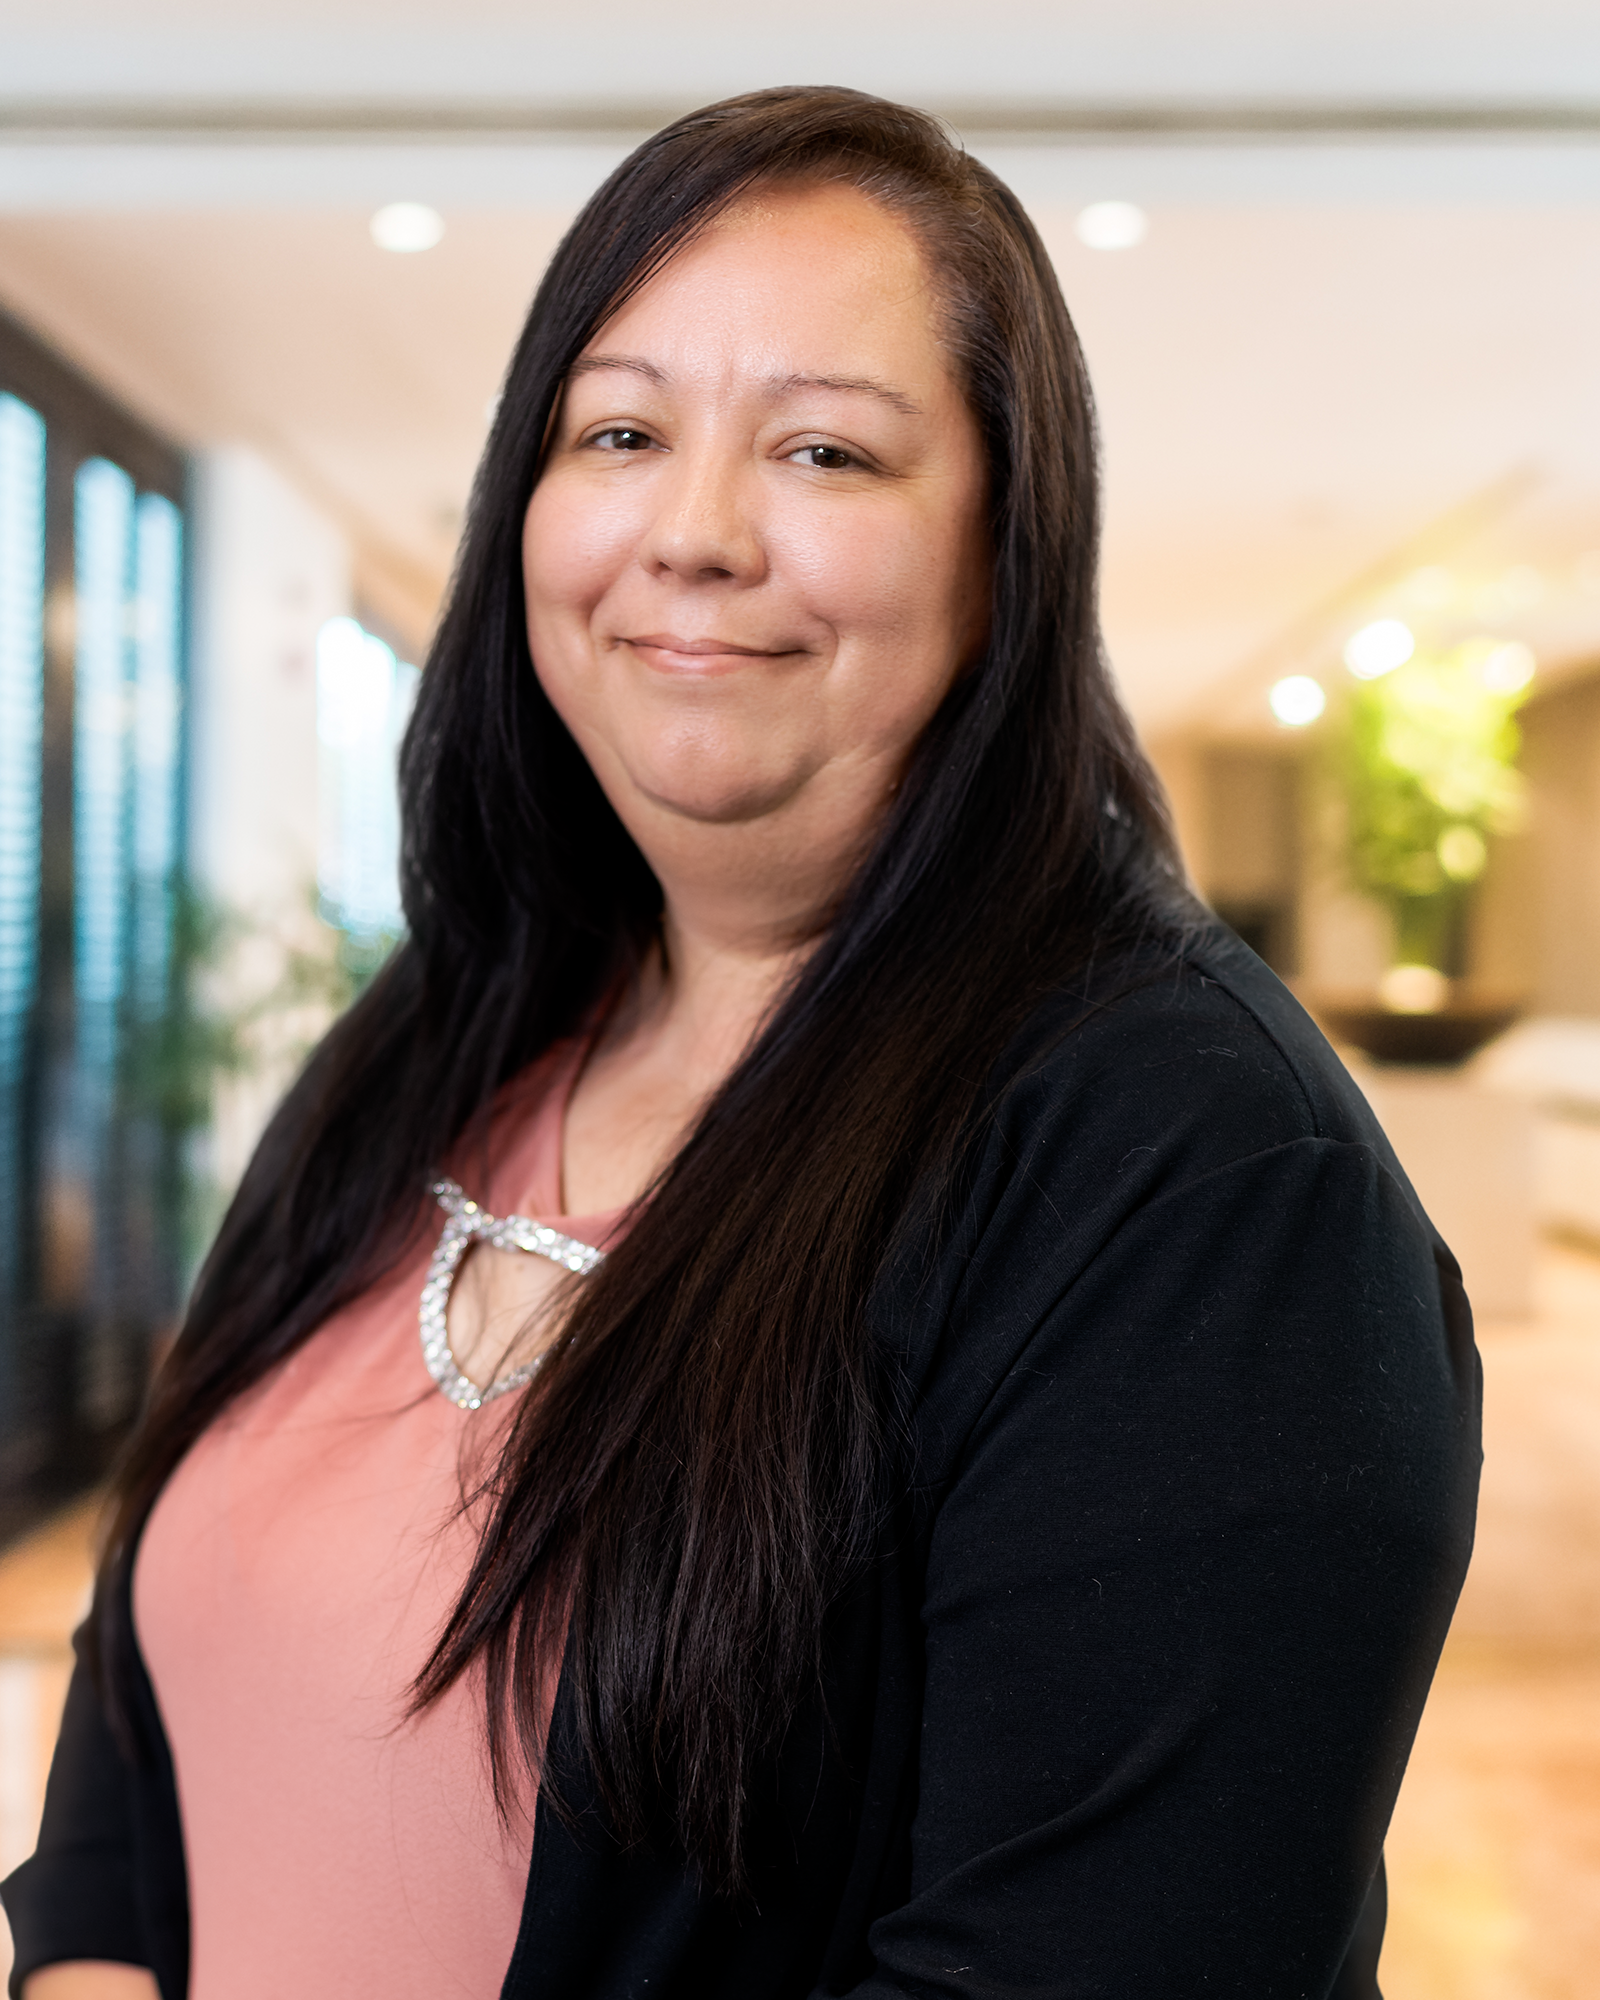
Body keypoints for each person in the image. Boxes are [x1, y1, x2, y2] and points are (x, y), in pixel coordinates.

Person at [2, 86, 1479, 2000]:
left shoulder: (1200, 1179)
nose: (693, 533)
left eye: (828, 454)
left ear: (1008, 549)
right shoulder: (449, 1021)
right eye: (619, 431)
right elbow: (144, 1679)